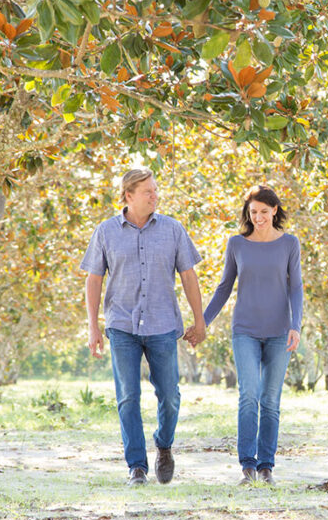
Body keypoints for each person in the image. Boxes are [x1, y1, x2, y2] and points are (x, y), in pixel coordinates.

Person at [83, 168, 207, 486]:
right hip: (121, 324)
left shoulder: (173, 230)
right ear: (129, 195)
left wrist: (200, 320)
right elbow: (94, 279)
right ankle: (136, 466)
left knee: (170, 395)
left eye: (155, 190)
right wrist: (93, 327)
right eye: (148, 191)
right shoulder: (106, 232)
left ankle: (163, 446)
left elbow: (189, 276)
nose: (155, 196)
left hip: (163, 324)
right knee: (128, 396)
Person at [190, 184, 303, 486]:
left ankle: (266, 467)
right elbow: (224, 287)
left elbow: (295, 288)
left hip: (280, 332)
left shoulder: (290, 244)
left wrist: (296, 325)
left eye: (264, 212)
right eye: (253, 212)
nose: (258, 217)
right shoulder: (237, 244)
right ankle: (247, 467)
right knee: (248, 396)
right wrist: (203, 322)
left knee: (270, 400)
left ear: (274, 210)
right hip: (245, 332)